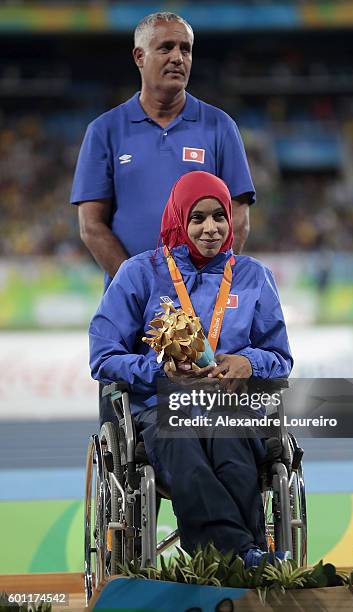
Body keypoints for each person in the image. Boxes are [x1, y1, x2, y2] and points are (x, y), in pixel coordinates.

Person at [89, 171, 292, 567]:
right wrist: (159, 370)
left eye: (219, 216)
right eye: (197, 218)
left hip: (231, 406)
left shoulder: (253, 277)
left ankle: (229, 558)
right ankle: (241, 557)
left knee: (229, 437)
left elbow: (281, 357)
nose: (210, 228)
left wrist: (247, 362)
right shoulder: (139, 273)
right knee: (181, 438)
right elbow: (103, 356)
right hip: (161, 407)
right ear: (179, 219)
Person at [70, 11, 255, 425]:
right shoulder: (105, 131)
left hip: (205, 308)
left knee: (217, 434)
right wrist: (144, 289)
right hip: (131, 310)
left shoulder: (219, 127)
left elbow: (238, 217)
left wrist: (206, 283)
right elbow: (91, 225)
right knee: (133, 433)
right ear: (139, 56)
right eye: (166, 47)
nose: (178, 57)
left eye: (185, 49)